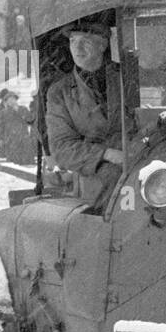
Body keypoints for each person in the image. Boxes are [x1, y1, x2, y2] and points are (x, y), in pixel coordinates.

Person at [45, 16, 133, 211]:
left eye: (85, 41)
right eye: (73, 41)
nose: (77, 48)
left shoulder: (128, 78)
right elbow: (62, 147)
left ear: (102, 45)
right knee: (115, 178)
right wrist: (107, 154)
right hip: (93, 171)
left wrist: (130, 151)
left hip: (138, 156)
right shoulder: (60, 92)